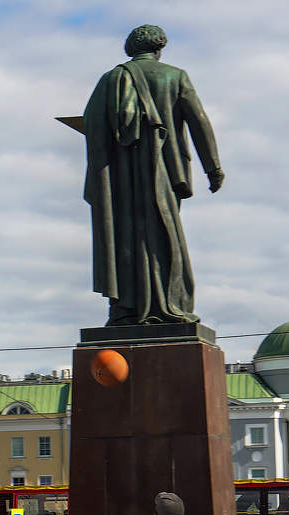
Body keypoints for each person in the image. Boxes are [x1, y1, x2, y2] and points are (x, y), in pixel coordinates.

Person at [82, 24, 223, 326]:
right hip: (165, 170)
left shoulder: (110, 80)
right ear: (160, 48)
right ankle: (172, 305)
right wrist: (212, 167)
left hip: (120, 175)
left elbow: (92, 122)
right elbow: (199, 122)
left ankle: (126, 309)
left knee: (127, 237)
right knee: (163, 234)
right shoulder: (174, 76)